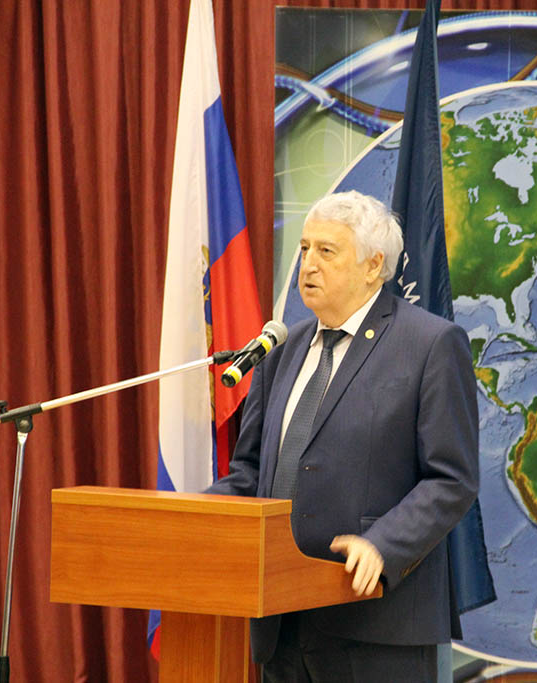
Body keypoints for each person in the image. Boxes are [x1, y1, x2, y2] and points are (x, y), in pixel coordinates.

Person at [205, 189, 480, 682]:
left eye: (326, 251)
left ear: (373, 266)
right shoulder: (280, 350)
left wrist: (383, 545)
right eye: (305, 248)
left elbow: (451, 479)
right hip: (280, 623)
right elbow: (251, 473)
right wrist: (193, 516)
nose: (308, 264)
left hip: (374, 622)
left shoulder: (430, 344)